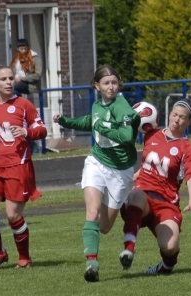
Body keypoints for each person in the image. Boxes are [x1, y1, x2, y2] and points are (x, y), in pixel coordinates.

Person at [53, 65, 140, 282]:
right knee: (91, 213)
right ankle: (92, 265)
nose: (111, 87)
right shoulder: (97, 105)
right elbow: (89, 122)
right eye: (106, 83)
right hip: (96, 162)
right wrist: (65, 121)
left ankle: (125, 209)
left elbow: (128, 135)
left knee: (105, 227)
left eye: (114, 82)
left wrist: (102, 127)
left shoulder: (122, 105)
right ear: (96, 85)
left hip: (121, 171)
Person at [0, 65, 47, 269]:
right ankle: (0, 253)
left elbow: (41, 129)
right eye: (3, 79)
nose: (9, 82)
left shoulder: (24, 104)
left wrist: (26, 132)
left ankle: (24, 258)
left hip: (17, 166)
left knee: (13, 215)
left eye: (11, 78)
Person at [118, 100, 191, 275]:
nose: (176, 119)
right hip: (142, 198)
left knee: (170, 246)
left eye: (182, 117)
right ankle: (129, 248)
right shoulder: (151, 133)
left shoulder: (187, 148)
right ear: (169, 114)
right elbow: (151, 161)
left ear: (188, 122)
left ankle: (166, 267)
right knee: (136, 195)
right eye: (174, 114)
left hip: (166, 203)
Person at [10, 38, 42, 153]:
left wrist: (22, 79)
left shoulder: (34, 58)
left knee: (31, 118)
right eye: (21, 48)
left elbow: (38, 75)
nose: (23, 50)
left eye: (25, 48)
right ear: (18, 49)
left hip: (30, 88)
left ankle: (36, 147)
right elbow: (12, 73)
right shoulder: (16, 59)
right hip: (19, 86)